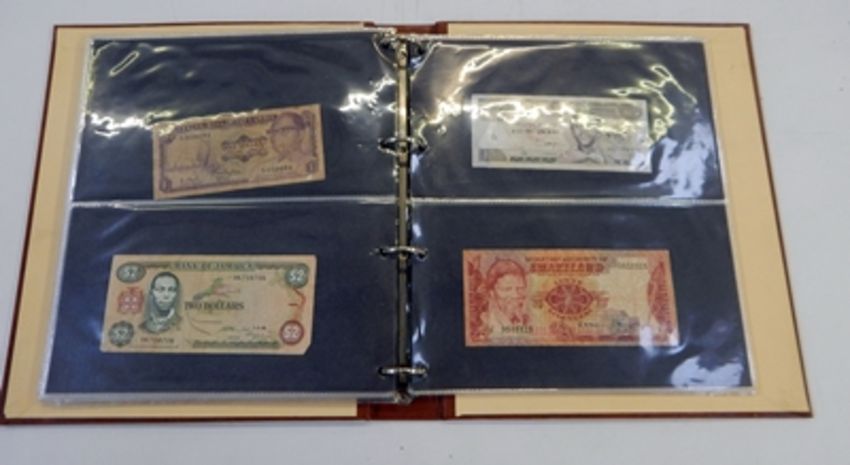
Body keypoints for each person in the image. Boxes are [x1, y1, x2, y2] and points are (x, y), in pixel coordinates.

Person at [479, 259, 531, 332]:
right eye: (506, 289)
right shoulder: (484, 323)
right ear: (492, 293)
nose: (515, 295)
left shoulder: (528, 320)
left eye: (520, 288)